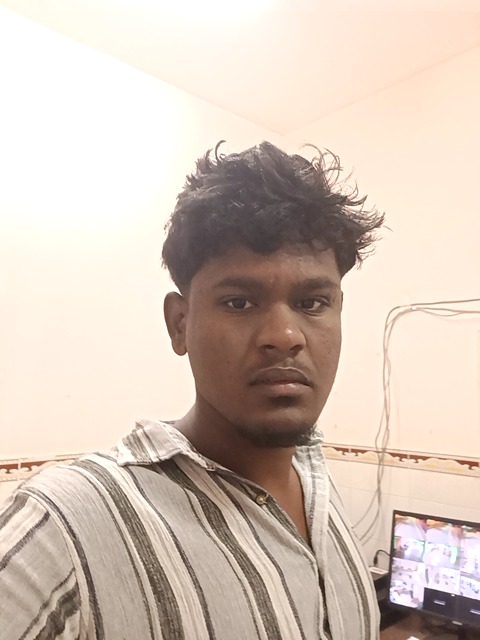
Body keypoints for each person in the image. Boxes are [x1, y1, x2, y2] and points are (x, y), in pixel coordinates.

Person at [0, 141, 384, 639]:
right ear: (179, 324)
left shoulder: (320, 487)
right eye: (240, 302)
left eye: (312, 303)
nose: (285, 335)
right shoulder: (65, 527)